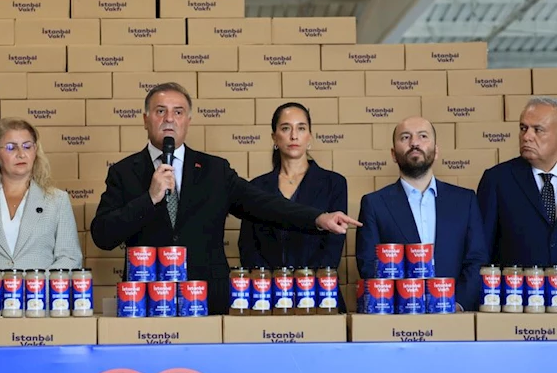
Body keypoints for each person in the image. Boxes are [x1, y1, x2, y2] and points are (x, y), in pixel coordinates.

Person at [90, 82, 359, 315]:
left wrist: (318, 218)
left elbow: (266, 205)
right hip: (145, 303)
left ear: (188, 121)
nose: (169, 119)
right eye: (161, 111)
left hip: (209, 303)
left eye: (178, 112)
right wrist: (149, 199)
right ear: (146, 119)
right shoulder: (124, 172)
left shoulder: (214, 170)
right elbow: (103, 235)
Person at [0, 118, 82, 313]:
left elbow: (70, 259)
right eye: (11, 147)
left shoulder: (57, 200)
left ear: (35, 151)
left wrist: (32, 293)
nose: (21, 153)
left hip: (40, 311)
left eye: (27, 146)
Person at [356, 116, 487, 311]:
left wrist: (457, 304)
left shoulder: (465, 200)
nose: (414, 143)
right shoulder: (374, 204)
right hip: (399, 317)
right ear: (393, 154)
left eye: (423, 136)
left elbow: (477, 260)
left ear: (436, 151)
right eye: (405, 137)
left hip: (455, 316)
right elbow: (369, 265)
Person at [239, 102, 347, 270]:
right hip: (266, 284)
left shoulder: (334, 183)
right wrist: (271, 281)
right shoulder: (256, 187)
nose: (294, 136)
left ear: (310, 136)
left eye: (301, 128)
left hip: (319, 284)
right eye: (286, 128)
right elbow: (248, 247)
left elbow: (333, 246)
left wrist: (306, 281)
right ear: (274, 137)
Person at [478, 96, 557, 266]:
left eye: (537, 130)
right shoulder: (497, 180)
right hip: (515, 283)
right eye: (523, 128)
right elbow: (481, 251)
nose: (527, 136)